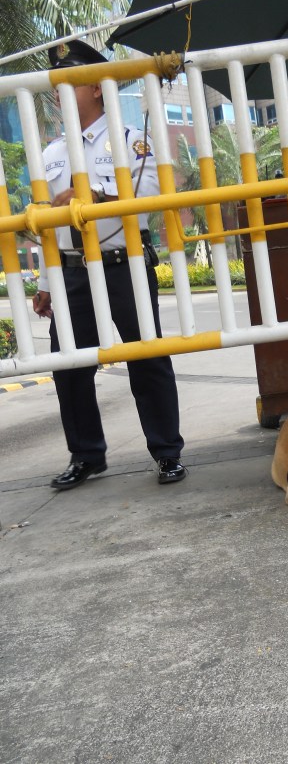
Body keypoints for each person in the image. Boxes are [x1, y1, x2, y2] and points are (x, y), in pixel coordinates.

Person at [33, 40, 186, 490]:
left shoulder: (127, 141)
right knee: (70, 365)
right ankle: (86, 455)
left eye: (70, 81)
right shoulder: (53, 153)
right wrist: (46, 282)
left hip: (124, 265)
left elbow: (152, 196)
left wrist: (96, 199)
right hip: (74, 270)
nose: (61, 91)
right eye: (56, 83)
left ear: (97, 88)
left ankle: (166, 452)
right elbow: (48, 227)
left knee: (146, 359)